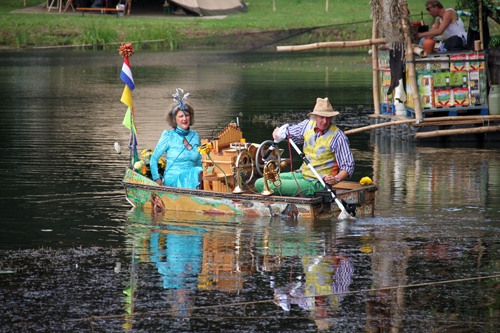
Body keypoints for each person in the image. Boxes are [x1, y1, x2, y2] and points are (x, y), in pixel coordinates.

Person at [255, 97, 354, 197]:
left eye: (328, 118)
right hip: (302, 175)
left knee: (265, 185)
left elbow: (348, 166)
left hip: (318, 183)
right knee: (260, 182)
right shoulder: (307, 125)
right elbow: (287, 133)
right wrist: (277, 132)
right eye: (321, 117)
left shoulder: (338, 137)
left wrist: (336, 179)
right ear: (315, 116)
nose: (325, 121)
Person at [150, 89, 204, 189]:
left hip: (194, 177)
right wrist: (156, 178)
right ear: (174, 120)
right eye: (181, 116)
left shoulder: (195, 136)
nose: (184, 119)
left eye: (187, 115)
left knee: (204, 172)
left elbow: (200, 162)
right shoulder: (168, 136)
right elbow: (154, 158)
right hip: (173, 180)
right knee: (198, 171)